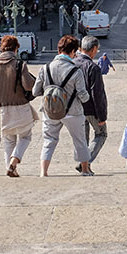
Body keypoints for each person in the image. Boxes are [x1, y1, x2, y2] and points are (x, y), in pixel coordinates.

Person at [32, 35, 92, 177]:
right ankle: (84, 170)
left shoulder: (45, 68)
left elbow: (35, 91)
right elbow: (83, 95)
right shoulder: (75, 71)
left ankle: (44, 172)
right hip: (72, 111)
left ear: (59, 50)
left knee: (49, 140)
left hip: (50, 110)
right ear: (73, 52)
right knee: (80, 140)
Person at [0, 35, 38, 178]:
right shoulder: (19, 64)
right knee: (26, 136)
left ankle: (9, 168)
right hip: (20, 106)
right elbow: (28, 85)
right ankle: (15, 159)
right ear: (16, 48)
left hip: (1, 110)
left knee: (8, 139)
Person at [73, 36, 108, 175]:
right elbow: (97, 94)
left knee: (83, 139)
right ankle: (85, 163)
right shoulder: (93, 68)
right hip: (91, 109)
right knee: (101, 134)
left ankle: (83, 164)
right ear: (93, 49)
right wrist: (102, 116)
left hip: (76, 108)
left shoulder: (72, 64)